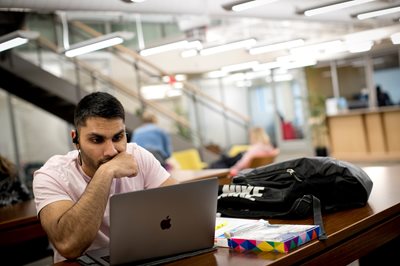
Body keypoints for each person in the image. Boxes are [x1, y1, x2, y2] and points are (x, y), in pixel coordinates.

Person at [32, 92, 178, 263]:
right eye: (97, 140)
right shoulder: (50, 175)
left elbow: (181, 207)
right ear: (76, 139)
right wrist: (106, 172)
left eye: (118, 137)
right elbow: (69, 245)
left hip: (138, 257)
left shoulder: (138, 155)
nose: (111, 151)